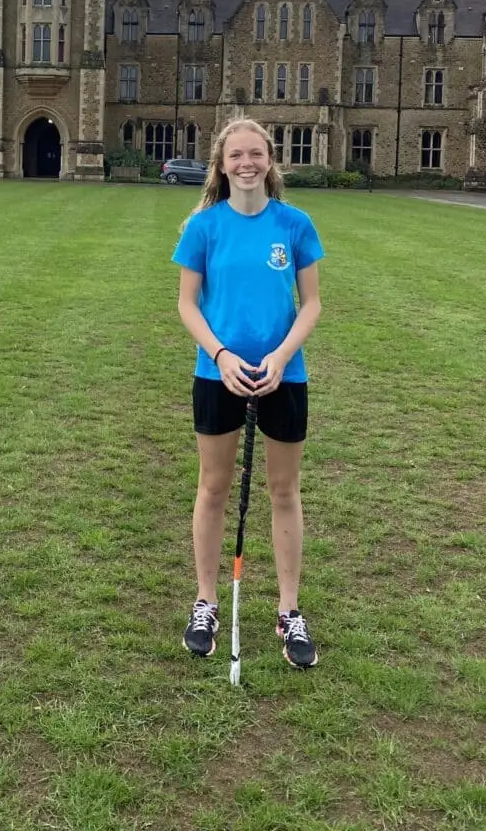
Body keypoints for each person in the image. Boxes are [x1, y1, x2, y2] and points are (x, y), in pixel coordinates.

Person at [172, 118, 324, 668]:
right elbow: (187, 304)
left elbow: (311, 303)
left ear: (269, 159)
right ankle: (206, 601)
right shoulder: (204, 227)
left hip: (285, 375)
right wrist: (221, 354)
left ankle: (289, 610)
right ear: (221, 164)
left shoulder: (295, 223)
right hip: (219, 375)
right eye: (236, 155)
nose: (246, 163)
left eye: (255, 154)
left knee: (284, 491)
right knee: (213, 488)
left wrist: (282, 356)